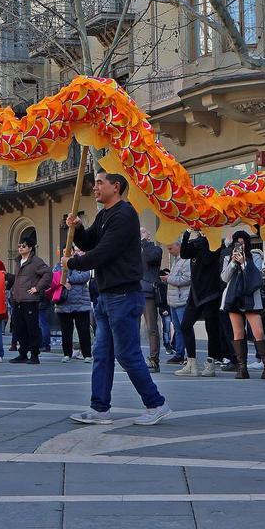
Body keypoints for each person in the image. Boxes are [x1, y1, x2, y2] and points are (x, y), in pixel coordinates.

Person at [65, 170, 171, 426]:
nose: (95, 188)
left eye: (100, 183)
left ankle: (156, 403)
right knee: (102, 353)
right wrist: (78, 229)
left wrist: (74, 262)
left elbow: (105, 251)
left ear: (116, 186)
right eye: (95, 184)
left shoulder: (124, 214)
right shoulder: (104, 215)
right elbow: (91, 241)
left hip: (123, 294)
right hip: (106, 294)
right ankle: (99, 408)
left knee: (127, 353)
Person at [221, 230, 265, 381]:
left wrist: (244, 263)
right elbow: (224, 278)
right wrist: (233, 263)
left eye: (242, 242)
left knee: (259, 332)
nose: (240, 245)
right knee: (238, 333)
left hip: (251, 299)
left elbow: (258, 277)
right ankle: (242, 367)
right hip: (234, 299)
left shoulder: (255, 256)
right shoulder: (228, 257)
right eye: (237, 242)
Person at [176, 230, 224, 378]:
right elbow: (184, 253)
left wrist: (205, 239)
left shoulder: (215, 243)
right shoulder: (195, 244)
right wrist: (186, 236)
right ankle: (191, 363)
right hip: (196, 293)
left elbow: (207, 259)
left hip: (211, 292)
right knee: (185, 325)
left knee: (211, 328)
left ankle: (210, 362)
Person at [8, 240, 50, 364]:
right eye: (19, 246)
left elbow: (48, 274)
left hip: (30, 300)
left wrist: (37, 288)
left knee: (32, 328)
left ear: (30, 248)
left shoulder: (36, 261)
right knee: (19, 328)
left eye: (24, 246)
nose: (21, 248)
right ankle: (22, 354)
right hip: (17, 299)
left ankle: (34, 355)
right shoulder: (17, 261)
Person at [55, 251, 93, 363]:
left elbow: (85, 276)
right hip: (64, 303)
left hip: (80, 302)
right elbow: (54, 277)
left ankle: (87, 354)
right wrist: (62, 281)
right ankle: (67, 354)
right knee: (66, 331)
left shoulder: (81, 263)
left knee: (84, 330)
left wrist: (69, 280)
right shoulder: (59, 265)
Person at [162, 241, 190, 365]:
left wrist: (168, 278)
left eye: (170, 248)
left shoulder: (185, 261)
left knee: (183, 328)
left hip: (181, 299)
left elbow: (187, 278)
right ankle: (179, 353)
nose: (169, 251)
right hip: (174, 300)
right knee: (178, 329)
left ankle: (186, 355)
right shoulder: (176, 261)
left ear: (179, 246)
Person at [139, 227, 164, 372]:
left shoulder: (155, 249)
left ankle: (154, 360)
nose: (140, 234)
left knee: (152, 328)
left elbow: (151, 259)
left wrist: (145, 243)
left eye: (143, 232)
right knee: (132, 327)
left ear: (148, 236)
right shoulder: (133, 248)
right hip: (134, 291)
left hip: (148, 292)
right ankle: (134, 359)